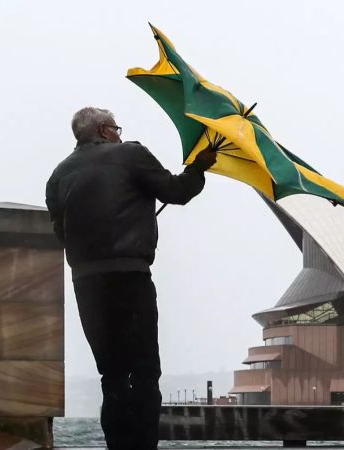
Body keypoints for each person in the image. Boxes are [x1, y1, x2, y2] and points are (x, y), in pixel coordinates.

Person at [45, 107, 217, 449]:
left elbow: (60, 232)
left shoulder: (58, 175)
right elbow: (177, 191)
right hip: (130, 277)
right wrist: (199, 166)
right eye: (116, 127)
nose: (120, 133)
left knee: (111, 374)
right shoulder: (131, 154)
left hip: (87, 284)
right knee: (143, 370)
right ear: (105, 130)